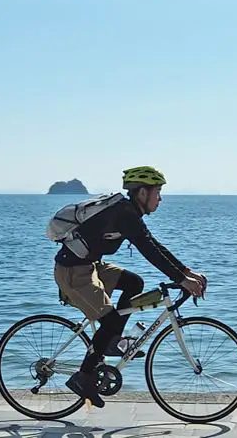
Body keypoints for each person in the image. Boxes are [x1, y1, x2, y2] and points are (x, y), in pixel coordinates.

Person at [54, 165, 207, 407]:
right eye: (157, 192)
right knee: (111, 319)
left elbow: (153, 244)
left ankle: (112, 340)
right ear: (142, 193)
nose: (160, 198)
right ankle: (83, 377)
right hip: (74, 273)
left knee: (134, 283)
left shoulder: (128, 214)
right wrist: (182, 280)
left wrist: (186, 272)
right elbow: (149, 251)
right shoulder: (124, 214)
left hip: (90, 267)